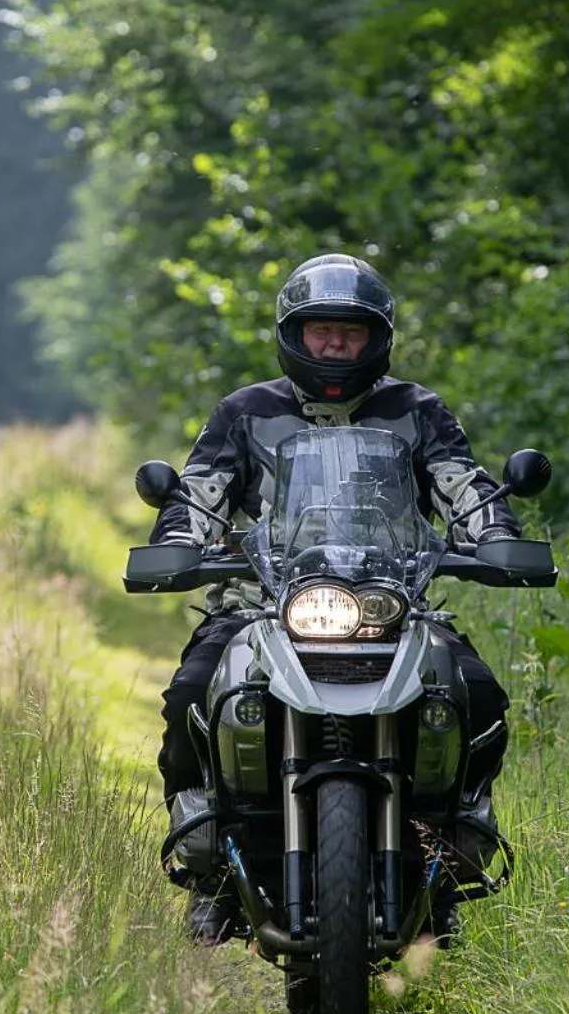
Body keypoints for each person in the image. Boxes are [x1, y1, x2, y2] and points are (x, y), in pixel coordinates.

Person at [149, 253, 520, 944]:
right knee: (192, 692)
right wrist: (176, 544)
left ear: (376, 337)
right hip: (258, 605)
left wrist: (496, 534)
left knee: (476, 691)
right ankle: (211, 871)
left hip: (392, 603)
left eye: (348, 333)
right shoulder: (246, 411)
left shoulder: (415, 411)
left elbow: (463, 485)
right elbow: (198, 494)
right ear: (294, 333)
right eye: (321, 331)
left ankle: (449, 855)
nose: (334, 346)